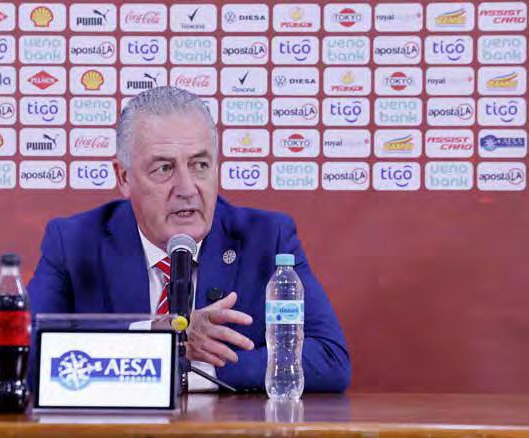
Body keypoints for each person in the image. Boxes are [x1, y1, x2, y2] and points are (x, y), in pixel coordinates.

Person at [28, 86, 350, 392]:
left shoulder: (267, 239)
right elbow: (27, 356)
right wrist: (155, 335)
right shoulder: (73, 243)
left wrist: (194, 371)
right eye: (164, 169)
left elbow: (329, 358)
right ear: (124, 178)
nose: (186, 188)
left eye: (199, 165)